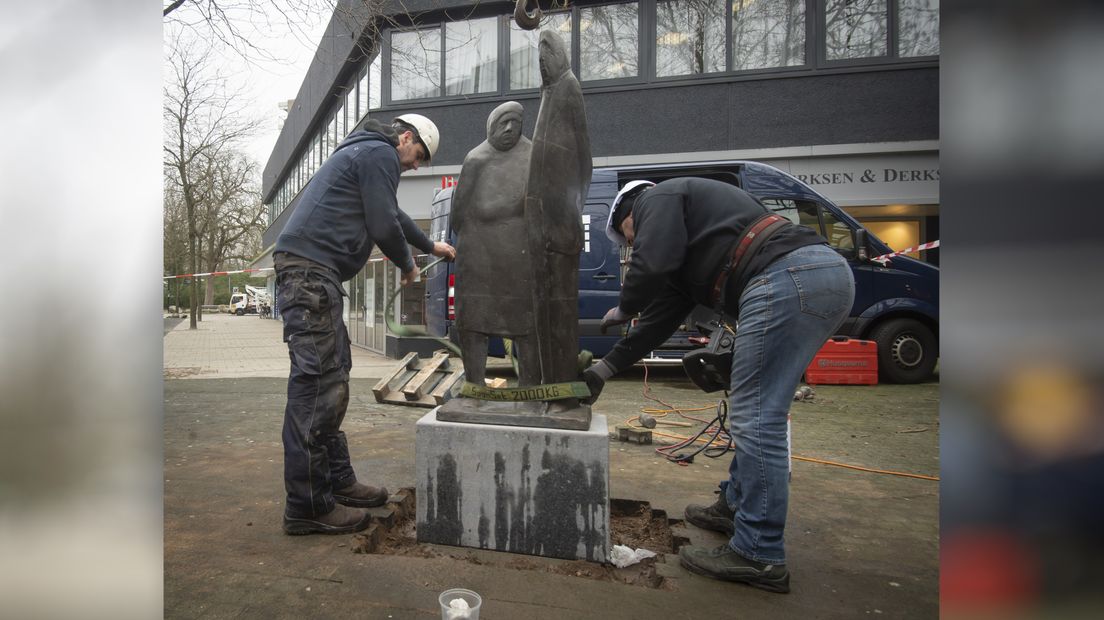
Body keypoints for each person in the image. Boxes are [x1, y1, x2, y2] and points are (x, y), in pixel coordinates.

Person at [582, 177, 855, 592]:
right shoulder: (688, 244)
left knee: (757, 417)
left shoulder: (660, 196)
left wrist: (626, 304)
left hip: (787, 276)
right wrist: (603, 370)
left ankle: (758, 553)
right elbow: (658, 323)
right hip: (816, 276)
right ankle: (735, 507)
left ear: (628, 215)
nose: (631, 248)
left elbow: (651, 263)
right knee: (759, 409)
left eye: (628, 239)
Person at [274, 114, 456, 535]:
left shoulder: (366, 153)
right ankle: (307, 505)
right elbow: (382, 222)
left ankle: (337, 482)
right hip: (309, 276)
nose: (415, 166)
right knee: (317, 384)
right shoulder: (380, 152)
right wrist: (409, 265)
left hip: (316, 277)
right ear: (405, 137)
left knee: (334, 377)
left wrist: (431, 245)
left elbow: (392, 214)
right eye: (418, 157)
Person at [451, 101, 539, 386]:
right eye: (504, 122)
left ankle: (529, 388)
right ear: (491, 126)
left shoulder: (533, 154)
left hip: (519, 259)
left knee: (526, 324)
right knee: (474, 322)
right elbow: (458, 214)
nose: (510, 128)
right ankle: (474, 384)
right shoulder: (476, 159)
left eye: (516, 122)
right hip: (479, 259)